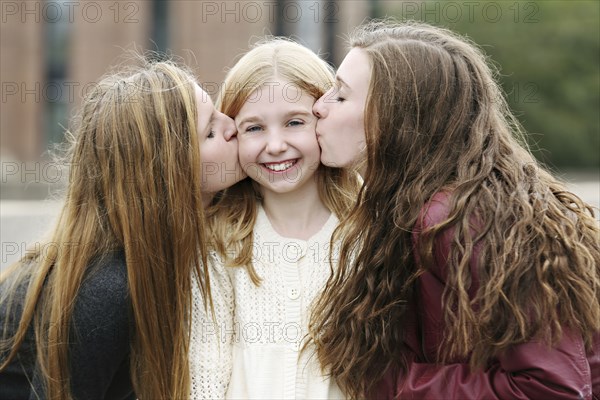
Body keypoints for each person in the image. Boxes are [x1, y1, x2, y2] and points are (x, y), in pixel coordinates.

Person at [310, 20, 600, 399]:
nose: (319, 106)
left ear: (397, 116)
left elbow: (550, 387)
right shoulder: (441, 204)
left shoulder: (458, 220)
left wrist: (392, 383)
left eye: (341, 96)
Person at [0, 56, 245, 399]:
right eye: (210, 131)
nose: (233, 124)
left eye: (218, 110)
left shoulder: (157, 249)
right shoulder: (107, 289)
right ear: (168, 171)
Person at [189, 38, 360, 399]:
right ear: (232, 133)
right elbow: (204, 372)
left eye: (295, 122)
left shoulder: (368, 230)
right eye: (254, 128)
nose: (276, 144)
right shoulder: (218, 241)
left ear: (323, 118)